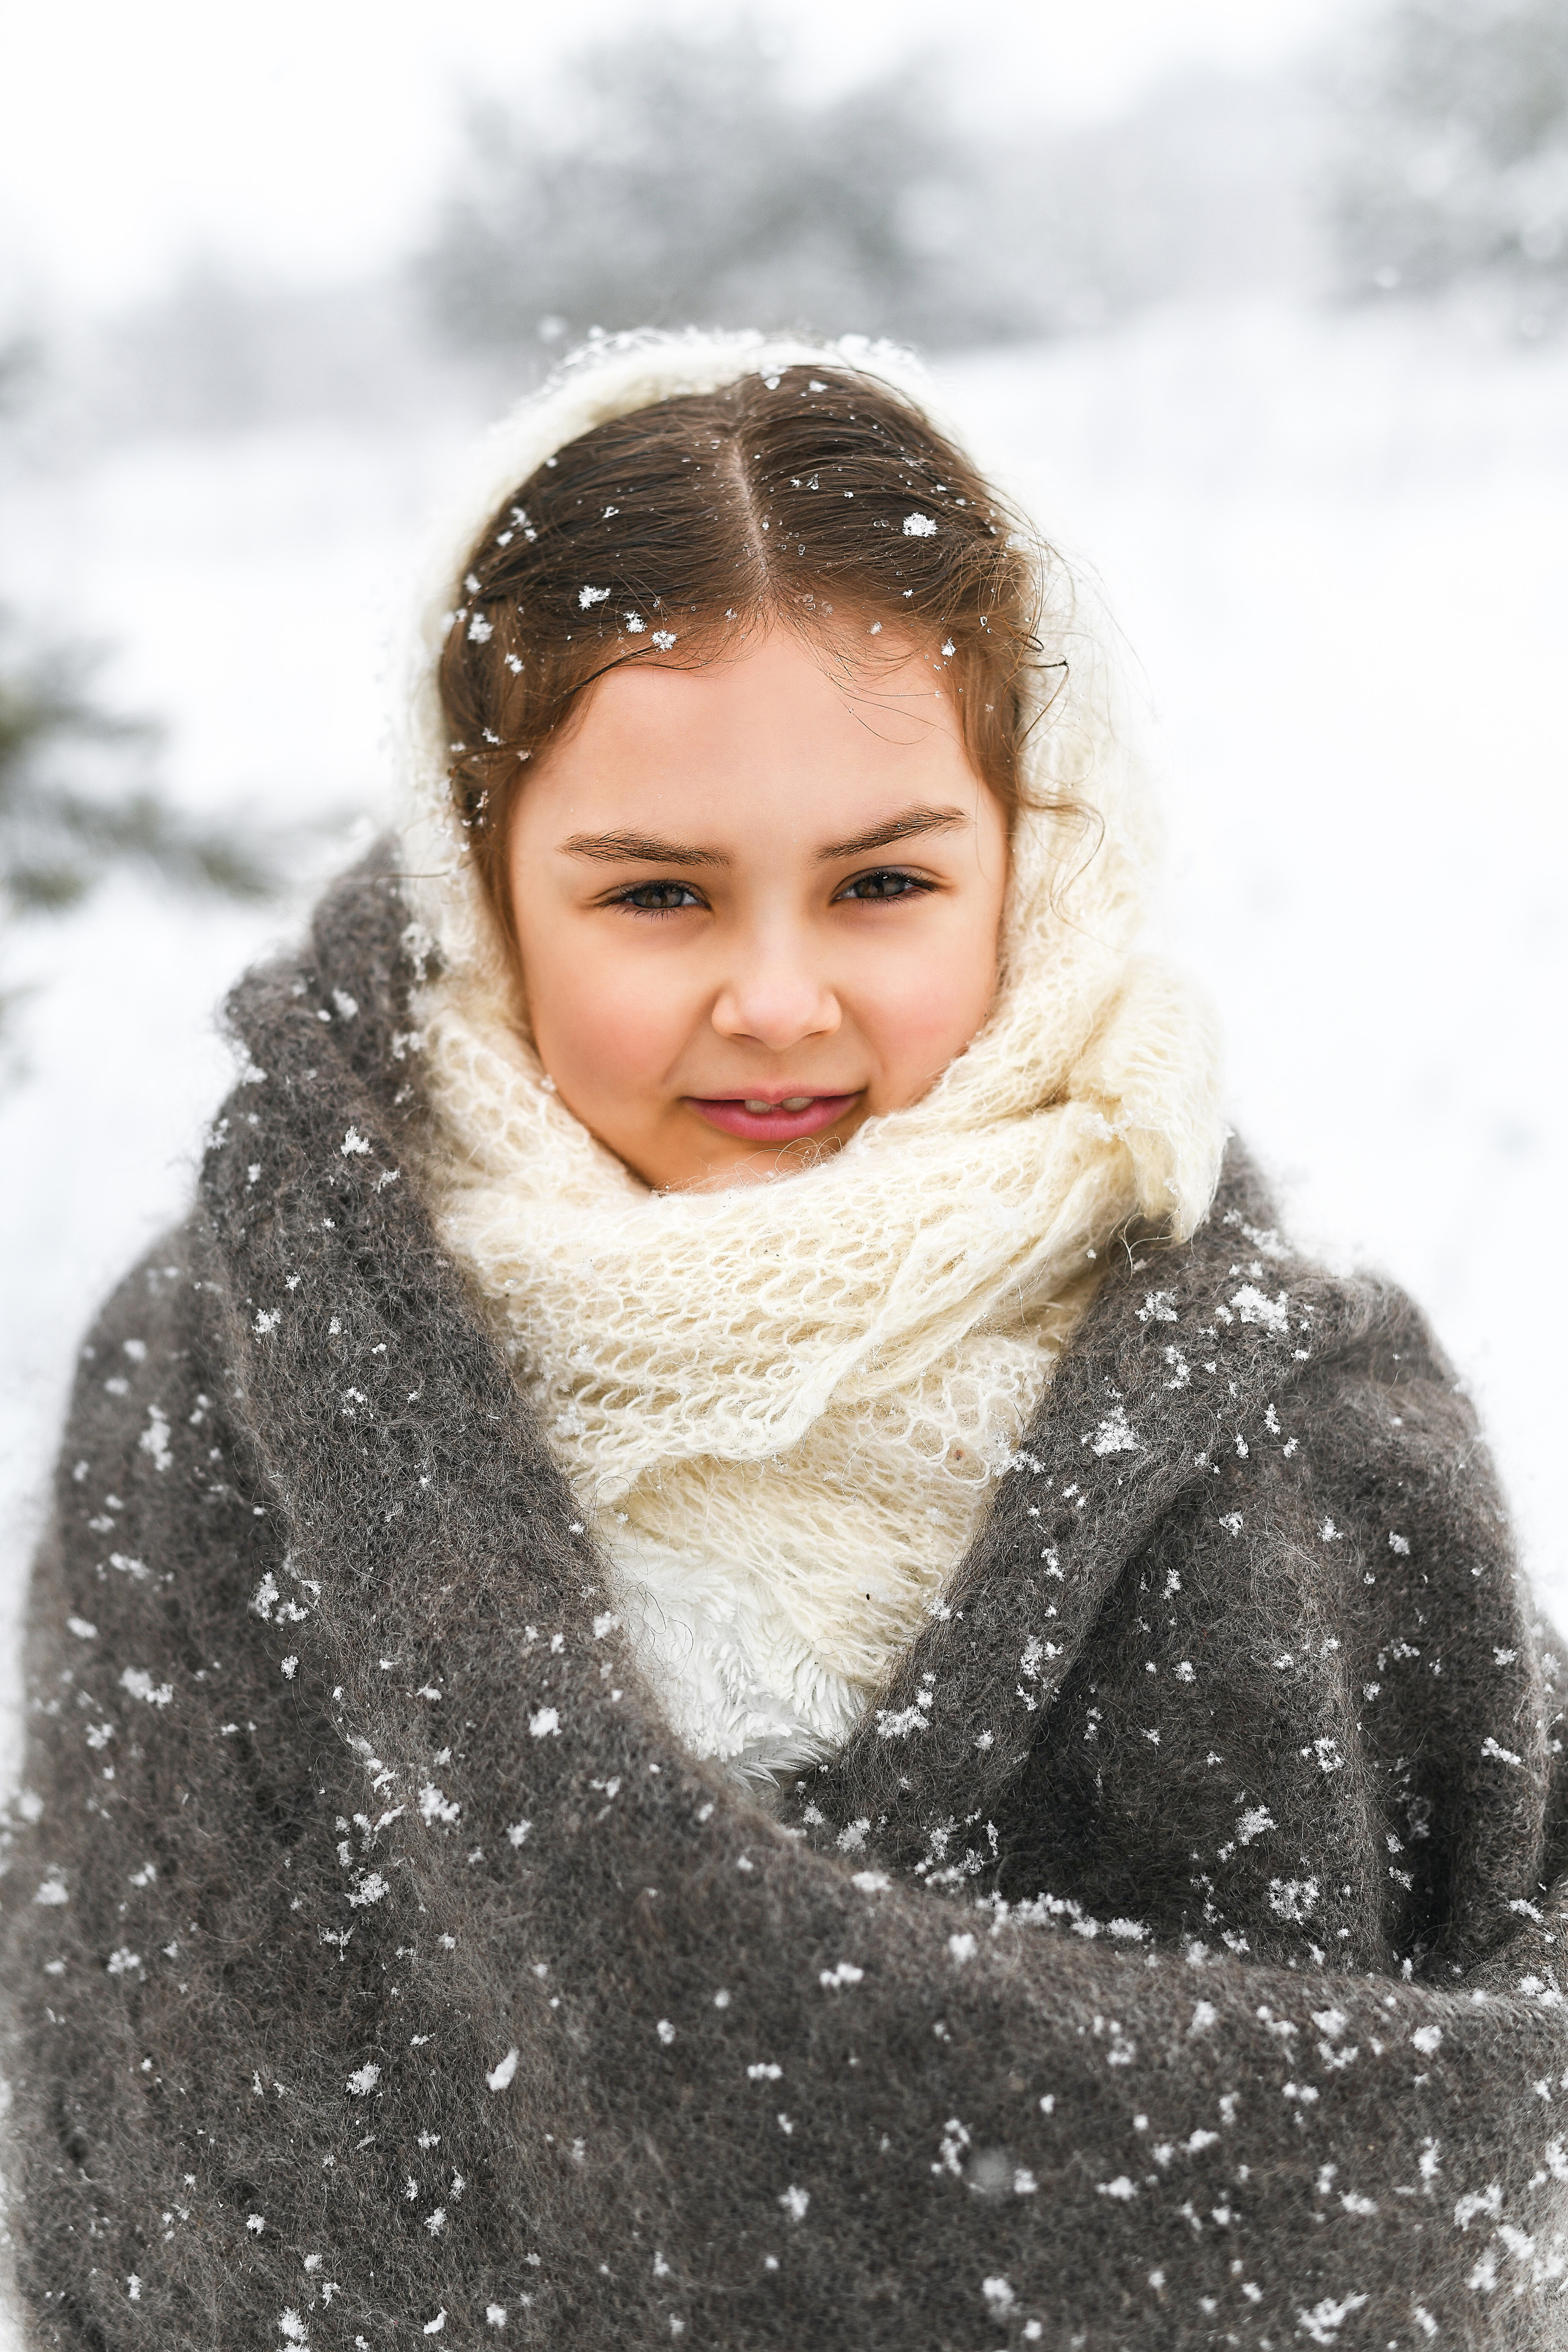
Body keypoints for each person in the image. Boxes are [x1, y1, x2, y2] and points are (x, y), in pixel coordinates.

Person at [2, 331, 1564, 2351]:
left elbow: (1469, 2116)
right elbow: (149, 2091)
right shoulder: (243, 1375)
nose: (774, 997)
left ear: (1035, 850)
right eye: (655, 893)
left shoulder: (1292, 1421)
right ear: (485, 887)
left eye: (883, 882)